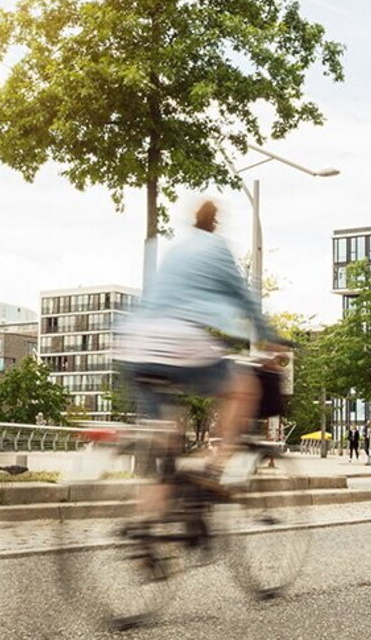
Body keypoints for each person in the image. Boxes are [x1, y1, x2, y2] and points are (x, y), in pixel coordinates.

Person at [114, 200, 286, 510]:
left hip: (137, 343)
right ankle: (215, 466)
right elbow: (243, 298)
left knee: (166, 440)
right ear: (215, 223)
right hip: (180, 340)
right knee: (244, 387)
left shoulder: (175, 251)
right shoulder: (216, 249)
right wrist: (268, 339)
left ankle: (144, 532)